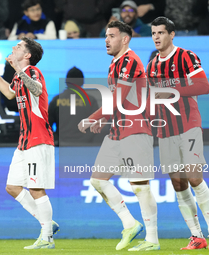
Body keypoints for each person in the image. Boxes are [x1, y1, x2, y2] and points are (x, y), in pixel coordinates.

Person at [78, 20, 160, 251]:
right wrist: (104, 119)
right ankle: (130, 223)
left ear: (125, 39)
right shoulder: (115, 64)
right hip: (117, 132)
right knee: (97, 180)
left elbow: (118, 99)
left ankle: (152, 240)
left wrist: (93, 117)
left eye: (111, 36)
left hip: (136, 130)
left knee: (139, 186)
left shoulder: (130, 60)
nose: (106, 40)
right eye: (105, 35)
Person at [0, 37, 59, 249]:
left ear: (27, 55)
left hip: (39, 139)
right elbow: (9, 93)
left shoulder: (33, 71)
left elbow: (37, 89)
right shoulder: (19, 77)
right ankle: (46, 224)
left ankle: (47, 239)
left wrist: (18, 68)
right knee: (12, 187)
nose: (14, 47)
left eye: (19, 46)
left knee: (36, 189)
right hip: (24, 142)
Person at [147, 16, 209, 250]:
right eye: (153, 33)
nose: (156, 37)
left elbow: (203, 86)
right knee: (179, 184)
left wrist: (172, 90)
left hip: (188, 125)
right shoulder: (152, 65)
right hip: (166, 131)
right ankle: (197, 236)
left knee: (194, 178)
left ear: (171, 34)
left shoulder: (186, 56)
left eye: (160, 33)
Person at [48, 66, 99, 145]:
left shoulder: (56, 100)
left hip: (61, 146)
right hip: (85, 146)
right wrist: (86, 140)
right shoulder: (90, 101)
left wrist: (56, 139)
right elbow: (97, 124)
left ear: (66, 82)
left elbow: (47, 125)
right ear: (82, 82)